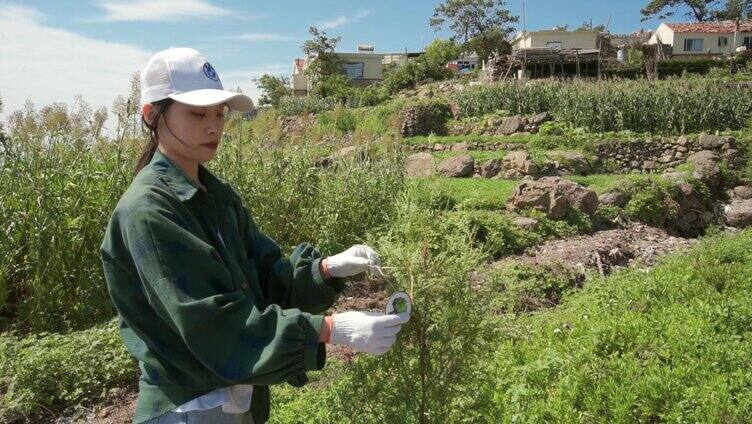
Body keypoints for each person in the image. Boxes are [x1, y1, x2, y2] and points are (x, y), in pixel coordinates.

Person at [100, 47, 409, 424]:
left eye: (220, 113)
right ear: (152, 115)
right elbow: (213, 325)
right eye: (197, 114)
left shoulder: (217, 198)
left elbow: (267, 277)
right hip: (187, 407)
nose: (214, 126)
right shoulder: (150, 211)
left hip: (234, 399)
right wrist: (332, 329)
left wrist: (327, 269)